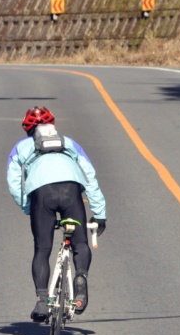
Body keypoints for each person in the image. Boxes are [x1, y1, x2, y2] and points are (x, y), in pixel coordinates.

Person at [6, 106, 107, 322]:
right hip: (71, 190)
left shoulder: (21, 147)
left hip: (42, 193)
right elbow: (90, 175)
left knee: (42, 250)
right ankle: (80, 279)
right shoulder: (70, 143)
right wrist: (99, 214)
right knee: (80, 244)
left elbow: (14, 182)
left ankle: (43, 300)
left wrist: (27, 206)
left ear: (28, 129)